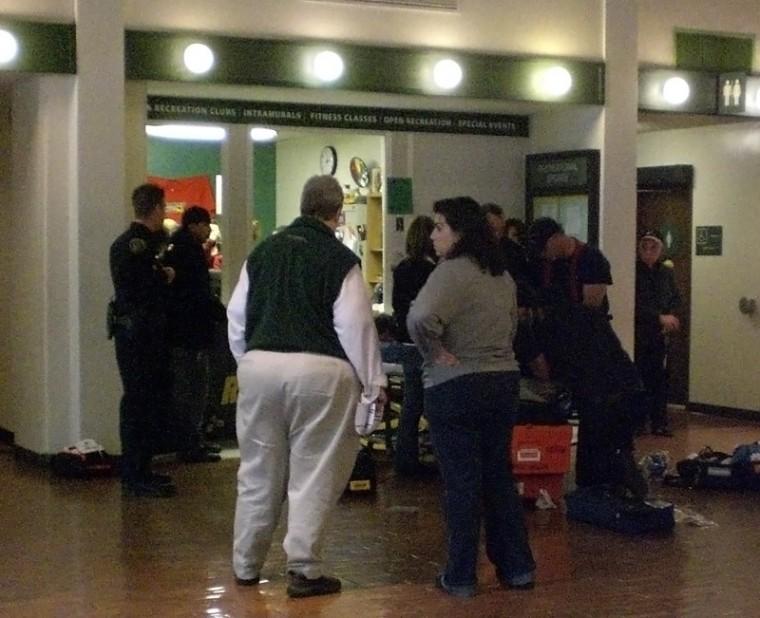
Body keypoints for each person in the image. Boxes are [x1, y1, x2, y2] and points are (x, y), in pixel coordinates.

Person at [227, 175, 387, 599]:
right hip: (321, 373)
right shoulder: (339, 259)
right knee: (313, 471)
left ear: (302, 206)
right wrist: (373, 385)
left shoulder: (261, 253)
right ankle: (305, 569)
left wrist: (249, 362)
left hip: (260, 367)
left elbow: (237, 316)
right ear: (337, 215)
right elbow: (355, 327)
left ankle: (245, 564)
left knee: (258, 471)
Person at [407, 196, 535, 598]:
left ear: (459, 232)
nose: (433, 235)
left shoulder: (450, 273)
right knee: (499, 476)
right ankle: (517, 569)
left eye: (440, 227)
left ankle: (460, 575)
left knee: (461, 483)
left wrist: (434, 352)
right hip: (502, 383)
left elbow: (418, 317)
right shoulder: (500, 274)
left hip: (457, 384)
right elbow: (512, 326)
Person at [525, 217, 646, 498]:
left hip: (594, 344)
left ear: (557, 238)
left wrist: (554, 310)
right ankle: (591, 477)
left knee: (620, 398)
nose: (546, 257)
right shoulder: (545, 265)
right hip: (562, 347)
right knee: (588, 408)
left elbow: (590, 305)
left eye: (546, 249)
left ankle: (612, 465)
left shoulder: (591, 259)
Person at [109, 183, 177, 498]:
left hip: (138, 333)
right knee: (138, 402)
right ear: (157, 209)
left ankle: (141, 468)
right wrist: (164, 277)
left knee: (145, 402)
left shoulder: (132, 243)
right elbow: (143, 287)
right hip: (140, 335)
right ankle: (135, 473)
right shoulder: (138, 246)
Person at [163, 206, 227, 463]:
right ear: (194, 225)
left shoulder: (175, 247)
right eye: (206, 223)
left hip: (180, 332)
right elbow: (198, 292)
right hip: (191, 334)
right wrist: (220, 314)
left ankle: (190, 441)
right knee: (193, 389)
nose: (209, 229)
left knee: (186, 389)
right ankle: (190, 444)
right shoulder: (189, 251)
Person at [389, 215, 436, 477]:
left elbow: (398, 306)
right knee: (431, 402)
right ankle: (436, 456)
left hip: (405, 339)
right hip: (426, 342)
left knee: (411, 404)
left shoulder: (402, 269)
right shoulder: (433, 272)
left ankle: (404, 459)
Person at [635, 229, 681, 437]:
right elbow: (635, 303)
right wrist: (657, 317)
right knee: (637, 378)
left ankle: (659, 422)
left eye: (653, 247)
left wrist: (669, 316)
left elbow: (675, 298)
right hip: (638, 332)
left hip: (659, 334)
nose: (648, 251)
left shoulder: (666, 272)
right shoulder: (633, 271)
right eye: (644, 246)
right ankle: (637, 422)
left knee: (659, 379)